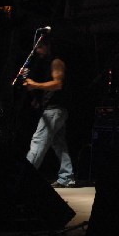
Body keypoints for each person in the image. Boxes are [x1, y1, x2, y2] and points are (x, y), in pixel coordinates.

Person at [23, 36, 76, 188]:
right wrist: (38, 100)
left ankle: (24, 177)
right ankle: (67, 177)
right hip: (55, 109)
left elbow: (57, 84)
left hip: (55, 110)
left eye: (39, 47)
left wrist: (35, 85)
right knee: (59, 144)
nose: (36, 50)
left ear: (47, 46)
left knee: (38, 141)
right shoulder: (49, 63)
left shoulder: (56, 62)